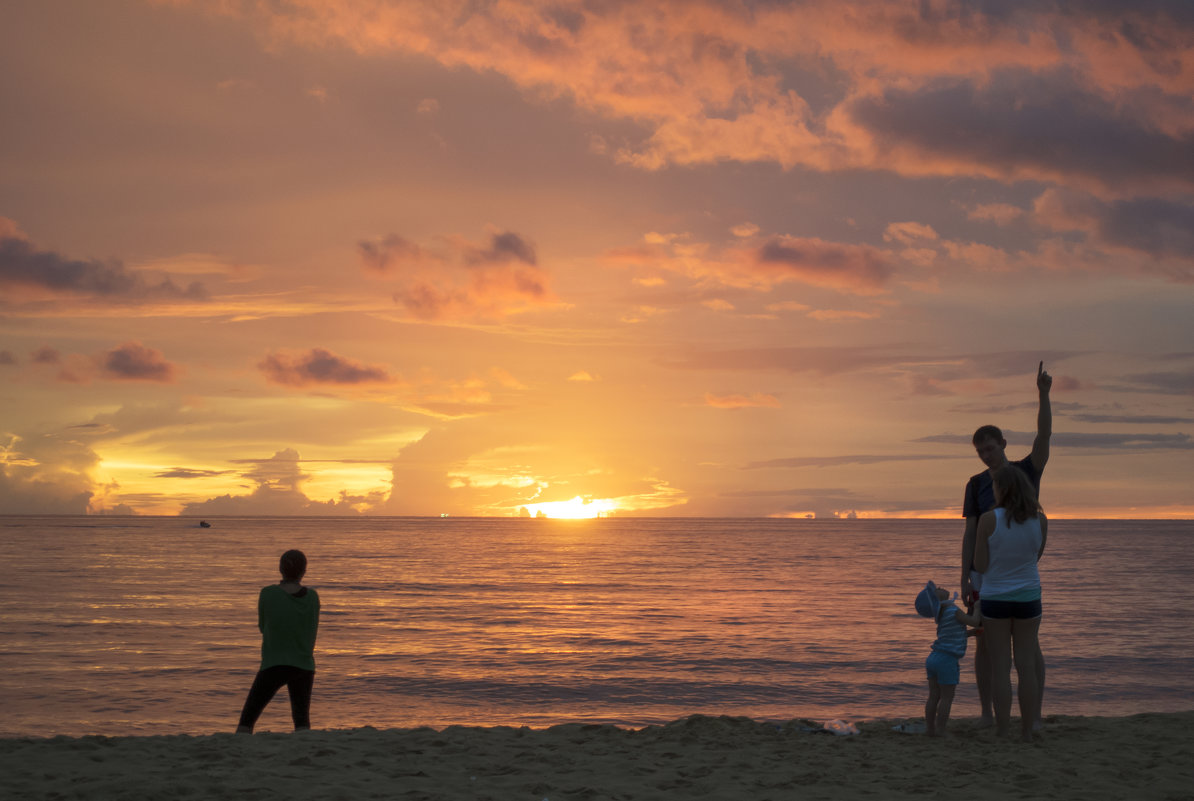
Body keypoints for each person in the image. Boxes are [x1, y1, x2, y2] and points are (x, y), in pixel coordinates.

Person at [960, 361, 1051, 727]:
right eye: (981, 450)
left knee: (1029, 648)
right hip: (986, 576)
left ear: (1003, 445)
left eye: (991, 448)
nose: (987, 454)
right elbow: (970, 533)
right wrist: (966, 576)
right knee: (985, 644)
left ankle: (1034, 714)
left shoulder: (1027, 471)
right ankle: (987, 713)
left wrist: (1044, 395)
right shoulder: (975, 484)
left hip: (1016, 571)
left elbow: (1043, 438)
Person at [974, 464, 1047, 741]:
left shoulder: (989, 520)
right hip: (1029, 597)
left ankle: (1003, 730)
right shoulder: (1040, 520)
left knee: (1001, 668)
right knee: (1027, 667)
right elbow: (1034, 556)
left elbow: (980, 565)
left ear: (1001, 489)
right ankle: (1028, 731)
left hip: (995, 599)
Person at [236, 549, 320, 733]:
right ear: (304, 571)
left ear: (280, 569)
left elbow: (262, 627)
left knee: (247, 721)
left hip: (274, 663)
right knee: (302, 722)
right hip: (304, 664)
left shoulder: (267, 593)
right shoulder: (313, 597)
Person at [916, 580, 982, 737]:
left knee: (933, 696)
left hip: (933, 658)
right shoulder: (953, 610)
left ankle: (930, 729)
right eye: (935, 591)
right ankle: (941, 731)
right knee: (946, 698)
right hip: (947, 660)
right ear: (937, 600)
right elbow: (974, 621)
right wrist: (978, 608)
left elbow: (951, 635)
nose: (938, 587)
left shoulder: (942, 615)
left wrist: (970, 634)